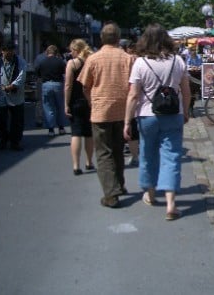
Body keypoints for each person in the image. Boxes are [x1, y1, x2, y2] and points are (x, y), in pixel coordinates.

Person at [123, 24, 190, 221]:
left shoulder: (140, 63)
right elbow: (186, 91)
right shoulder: (177, 61)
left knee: (147, 154)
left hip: (147, 115)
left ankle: (150, 194)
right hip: (173, 115)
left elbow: (133, 95)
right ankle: (171, 203)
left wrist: (127, 121)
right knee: (171, 156)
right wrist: (185, 111)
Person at [78, 23, 133, 208]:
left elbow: (85, 85)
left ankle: (111, 194)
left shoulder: (94, 59)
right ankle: (120, 184)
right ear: (118, 38)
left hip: (101, 111)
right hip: (122, 110)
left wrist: (92, 101)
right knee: (118, 150)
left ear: (101, 38)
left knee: (103, 153)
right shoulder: (128, 58)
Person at [0, 41, 27, 150]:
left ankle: (15, 142)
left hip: (16, 95)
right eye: (7, 52)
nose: (9, 54)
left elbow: (21, 77)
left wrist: (12, 86)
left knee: (17, 121)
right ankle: (4, 139)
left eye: (12, 52)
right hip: (1, 96)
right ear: (2, 51)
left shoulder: (20, 61)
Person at [64, 39, 94, 176]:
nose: (71, 53)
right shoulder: (91, 61)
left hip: (75, 101)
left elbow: (68, 85)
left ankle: (76, 165)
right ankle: (89, 162)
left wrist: (66, 103)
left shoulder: (72, 63)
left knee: (76, 133)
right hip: (89, 101)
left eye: (72, 50)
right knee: (89, 133)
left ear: (77, 50)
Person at [35, 45, 67, 136]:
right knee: (60, 107)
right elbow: (64, 72)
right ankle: (61, 128)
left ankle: (51, 129)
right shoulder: (60, 62)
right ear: (56, 53)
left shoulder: (42, 62)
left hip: (46, 85)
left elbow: (37, 73)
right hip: (58, 84)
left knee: (48, 107)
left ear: (46, 52)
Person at [32, 42, 49, 127]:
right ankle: (50, 119)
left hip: (40, 79)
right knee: (50, 101)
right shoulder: (52, 57)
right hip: (50, 80)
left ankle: (39, 119)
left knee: (39, 100)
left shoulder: (39, 57)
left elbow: (35, 68)